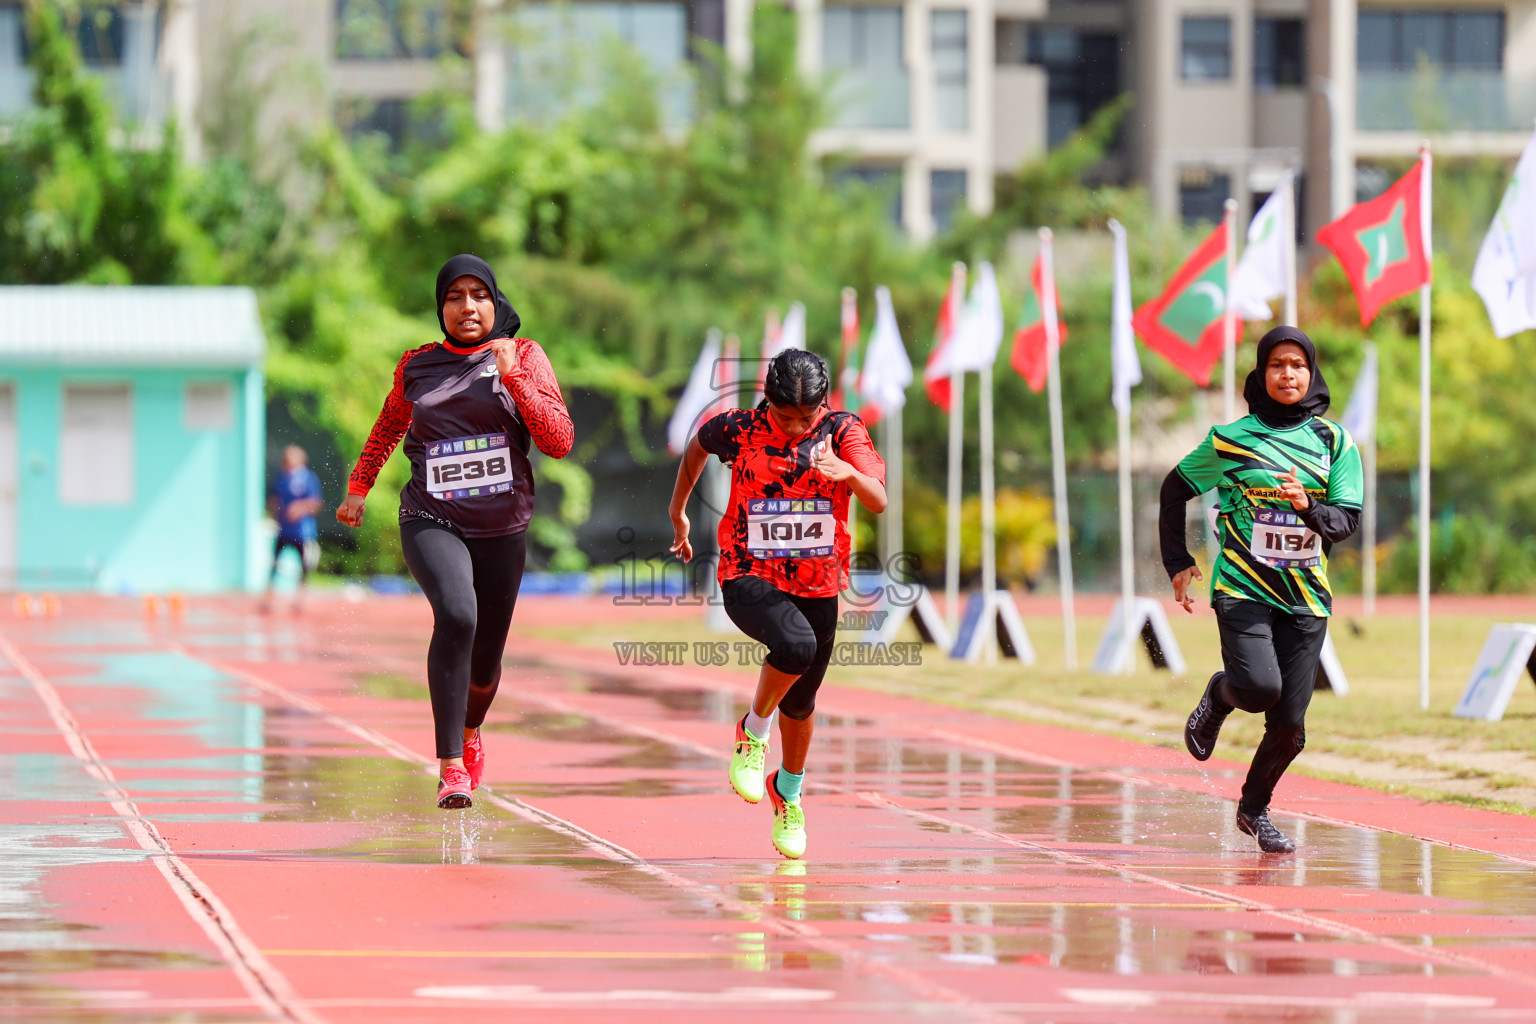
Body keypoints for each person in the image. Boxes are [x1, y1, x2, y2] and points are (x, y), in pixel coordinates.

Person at [337, 254, 573, 809]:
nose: (466, 307)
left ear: (495, 302)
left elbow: (559, 439)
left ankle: (470, 731)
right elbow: (390, 423)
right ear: (441, 307)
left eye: (478, 295)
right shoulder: (417, 365)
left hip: (502, 527)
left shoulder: (527, 355)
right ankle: (449, 765)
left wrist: (512, 374)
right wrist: (359, 485)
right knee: (457, 613)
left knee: (486, 665)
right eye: (454, 297)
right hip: (431, 516)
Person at [668, 349, 887, 860]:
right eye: (784, 417)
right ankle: (752, 732)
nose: (793, 428)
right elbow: (696, 449)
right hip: (747, 571)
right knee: (794, 646)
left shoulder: (842, 431)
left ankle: (788, 792)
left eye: (804, 419)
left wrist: (847, 475)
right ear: (767, 401)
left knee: (803, 702)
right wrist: (678, 512)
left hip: (819, 582)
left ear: (823, 406)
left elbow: (877, 497)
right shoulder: (739, 428)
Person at [1159, 326, 1362, 853]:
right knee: (1259, 691)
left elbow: (1344, 523)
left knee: (1290, 725)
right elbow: (1173, 489)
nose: (1287, 374)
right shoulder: (1230, 439)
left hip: (1306, 598)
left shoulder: (1334, 442)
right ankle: (1221, 693)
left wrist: (1308, 509)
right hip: (1243, 589)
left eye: (1297, 365)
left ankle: (1254, 809)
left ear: (1311, 372)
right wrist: (1178, 561)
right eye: (1277, 365)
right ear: (1261, 373)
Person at [265, 445, 323, 613]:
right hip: (284, 530)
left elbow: (316, 503)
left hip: (302, 532)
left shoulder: (308, 478)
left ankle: (300, 600)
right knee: (274, 564)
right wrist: (275, 510)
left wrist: (300, 508)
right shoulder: (281, 477)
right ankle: (269, 598)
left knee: (303, 567)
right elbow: (273, 497)